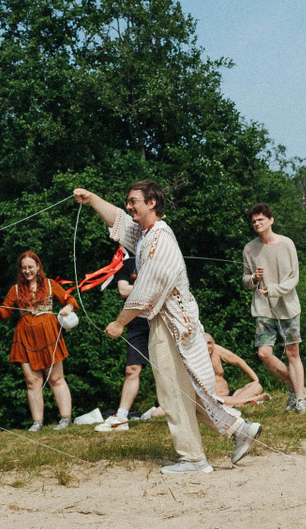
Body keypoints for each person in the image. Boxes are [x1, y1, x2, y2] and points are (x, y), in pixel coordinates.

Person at [74, 182, 263, 472]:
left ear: (152, 203)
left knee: (173, 393)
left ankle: (193, 458)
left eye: (134, 201)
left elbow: (146, 290)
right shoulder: (146, 233)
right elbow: (120, 223)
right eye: (128, 201)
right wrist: (91, 199)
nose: (128, 206)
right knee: (190, 391)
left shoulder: (159, 238)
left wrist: (120, 323)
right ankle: (240, 429)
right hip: (173, 322)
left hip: (172, 324)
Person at [0, 250, 78, 431]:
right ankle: (37, 422)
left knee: (56, 378)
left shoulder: (50, 284)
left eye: (30, 267)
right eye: (24, 268)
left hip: (49, 334)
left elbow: (69, 299)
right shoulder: (16, 289)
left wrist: (68, 307)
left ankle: (66, 419)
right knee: (32, 381)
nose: (27, 271)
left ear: (38, 266)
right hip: (25, 337)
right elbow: (4, 313)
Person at [242, 203, 306, 413]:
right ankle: (294, 387)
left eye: (260, 219)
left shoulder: (287, 244)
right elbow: (246, 279)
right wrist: (254, 278)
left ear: (271, 220)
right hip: (263, 308)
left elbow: (294, 278)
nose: (256, 224)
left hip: (288, 307)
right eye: (253, 221)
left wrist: (273, 289)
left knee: (292, 352)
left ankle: (300, 400)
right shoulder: (249, 249)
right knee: (263, 353)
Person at [97, 255, 148, 432]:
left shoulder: (159, 257)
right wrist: (149, 287)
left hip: (161, 321)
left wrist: (139, 288)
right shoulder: (127, 263)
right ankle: (121, 416)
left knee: (168, 368)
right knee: (131, 369)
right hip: (136, 323)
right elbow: (123, 290)